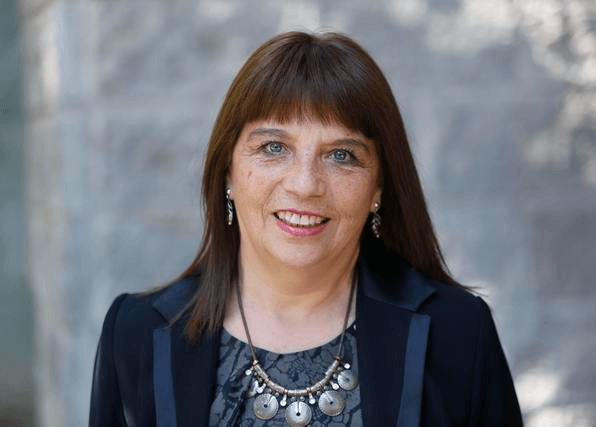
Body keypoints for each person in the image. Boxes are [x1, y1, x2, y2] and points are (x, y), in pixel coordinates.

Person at [89, 31, 523, 427]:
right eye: (274, 147)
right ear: (227, 173)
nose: (305, 185)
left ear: (378, 187)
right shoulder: (134, 332)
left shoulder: (459, 331)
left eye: (341, 155)